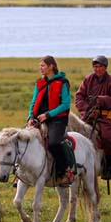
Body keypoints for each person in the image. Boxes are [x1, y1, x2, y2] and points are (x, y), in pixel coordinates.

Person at [27, 55, 74, 187]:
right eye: (40, 66)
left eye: (43, 66)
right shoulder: (39, 83)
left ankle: (65, 171)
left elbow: (65, 104)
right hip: (39, 119)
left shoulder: (63, 82)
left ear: (51, 66)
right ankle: (23, 174)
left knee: (53, 143)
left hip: (57, 120)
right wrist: (30, 117)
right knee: (24, 141)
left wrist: (48, 115)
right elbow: (33, 101)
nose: (40, 68)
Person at [75, 55, 111, 180]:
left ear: (105, 67)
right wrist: (87, 109)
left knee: (107, 138)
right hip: (88, 116)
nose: (97, 69)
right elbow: (79, 97)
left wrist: (101, 100)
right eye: (95, 66)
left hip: (106, 118)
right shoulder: (88, 80)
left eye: (100, 66)